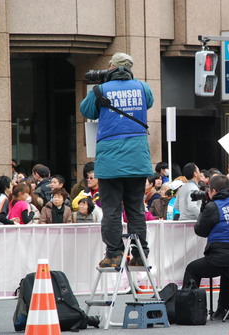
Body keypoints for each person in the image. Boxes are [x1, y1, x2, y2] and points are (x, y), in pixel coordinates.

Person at [80, 52, 154, 268]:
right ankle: (140, 254)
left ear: (111, 66)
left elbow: (86, 110)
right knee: (136, 209)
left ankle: (114, 255)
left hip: (110, 161)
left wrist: (103, 87)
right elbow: (147, 104)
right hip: (138, 158)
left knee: (111, 210)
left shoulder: (100, 90)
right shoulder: (143, 87)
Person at [181, 175, 229, 320]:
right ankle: (222, 309)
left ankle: (189, 310)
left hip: (221, 258)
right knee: (228, 270)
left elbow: (200, 231)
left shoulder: (214, 206)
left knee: (192, 268)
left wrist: (205, 208)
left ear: (213, 191)